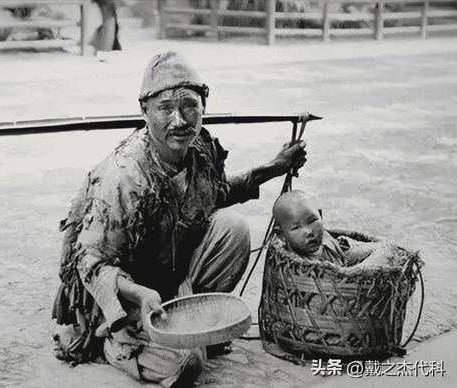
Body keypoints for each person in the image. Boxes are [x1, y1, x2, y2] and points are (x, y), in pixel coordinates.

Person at [51, 51, 307, 387]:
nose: (180, 120)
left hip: (172, 280)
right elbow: (90, 263)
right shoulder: (123, 177)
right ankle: (114, 341)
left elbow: (213, 193)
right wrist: (140, 294)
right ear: (144, 111)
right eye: (165, 108)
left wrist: (275, 167)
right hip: (127, 296)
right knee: (188, 362)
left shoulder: (199, 148)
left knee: (233, 228)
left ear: (203, 106)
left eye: (189, 106)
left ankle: (188, 322)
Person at [271, 190, 396, 268]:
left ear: (321, 215)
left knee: (387, 247)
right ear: (281, 234)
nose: (308, 231)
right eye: (296, 228)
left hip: (344, 264)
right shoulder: (297, 262)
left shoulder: (326, 239)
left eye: (312, 221)